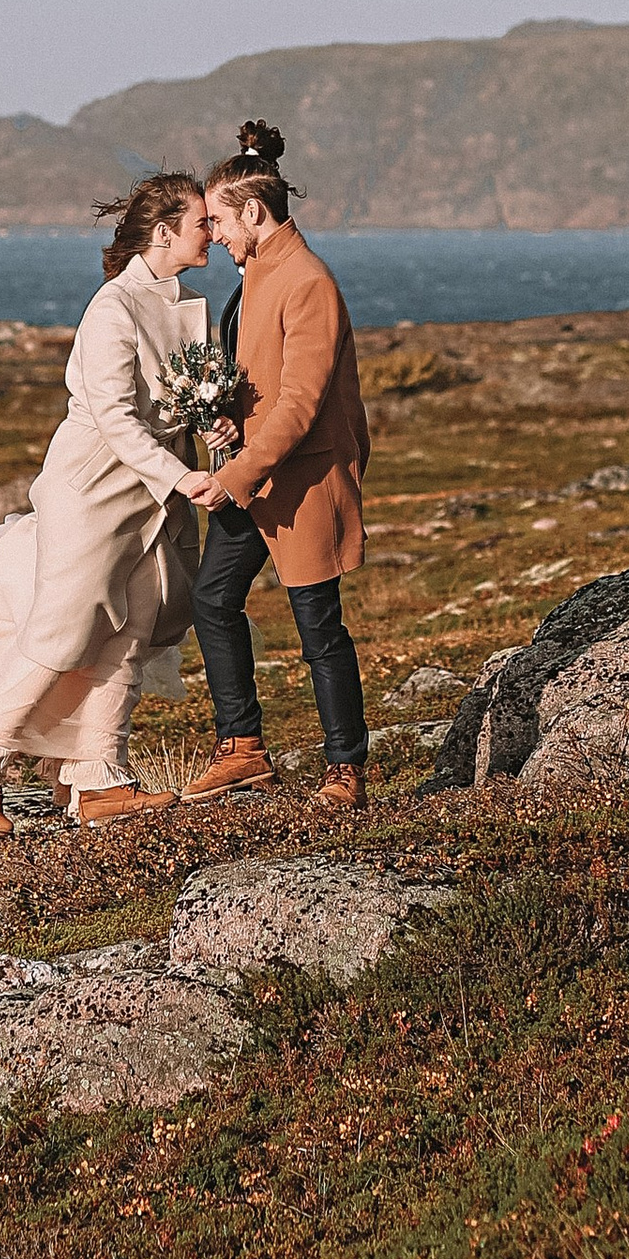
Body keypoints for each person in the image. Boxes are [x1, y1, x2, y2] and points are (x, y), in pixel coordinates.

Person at [0, 171, 214, 833]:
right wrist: (179, 475)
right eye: (201, 222)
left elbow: (186, 401)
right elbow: (111, 414)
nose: (212, 232)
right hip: (96, 485)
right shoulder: (114, 306)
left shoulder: (190, 304)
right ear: (163, 231)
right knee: (61, 629)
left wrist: (213, 430)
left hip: (157, 491)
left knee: (134, 631)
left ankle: (101, 777)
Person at [180, 120, 373, 810]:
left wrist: (231, 475)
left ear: (254, 212)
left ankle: (345, 770)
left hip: (302, 480)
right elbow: (265, 383)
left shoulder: (306, 280)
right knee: (212, 598)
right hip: (259, 474)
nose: (216, 235)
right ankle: (243, 749)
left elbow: (300, 404)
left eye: (219, 221)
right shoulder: (260, 273)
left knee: (317, 625)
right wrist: (232, 420)